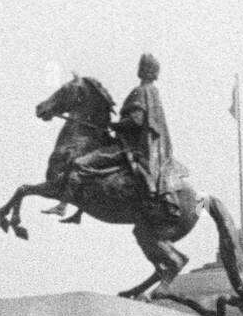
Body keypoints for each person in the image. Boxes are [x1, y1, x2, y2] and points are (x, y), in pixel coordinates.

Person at [60, 53, 177, 220]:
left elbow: (137, 121)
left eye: (140, 66)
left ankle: (64, 205)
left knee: (80, 163)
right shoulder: (153, 92)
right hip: (142, 147)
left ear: (144, 70)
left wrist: (113, 125)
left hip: (129, 147)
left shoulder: (141, 91)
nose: (138, 69)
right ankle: (78, 213)